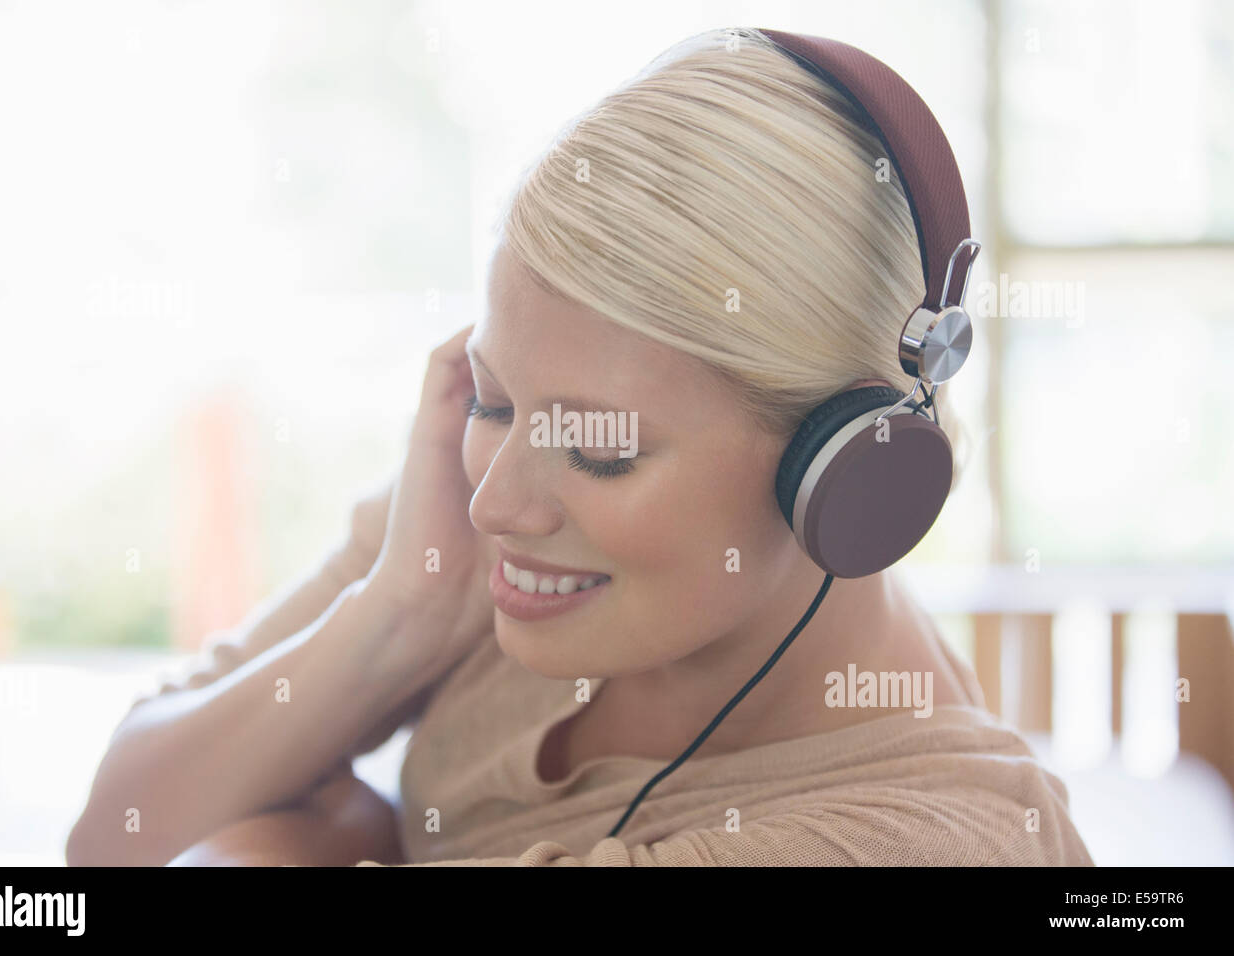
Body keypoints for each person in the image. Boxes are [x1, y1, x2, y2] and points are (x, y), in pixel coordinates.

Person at [66, 27, 1092, 867]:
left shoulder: (936, 841)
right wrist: (401, 611)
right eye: (495, 399)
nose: (495, 503)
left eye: (602, 453)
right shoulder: (483, 526)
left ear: (845, 473)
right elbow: (109, 835)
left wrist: (289, 837)